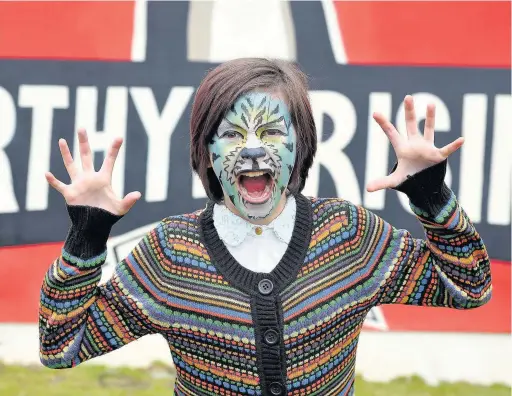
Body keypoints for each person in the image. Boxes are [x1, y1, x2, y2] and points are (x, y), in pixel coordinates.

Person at [39, 58, 492, 396]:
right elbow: (60, 347)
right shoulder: (171, 254)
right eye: (234, 135)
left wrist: (431, 197)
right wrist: (85, 239)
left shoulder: (347, 235)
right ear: (208, 151)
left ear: (302, 145)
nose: (253, 153)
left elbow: (470, 286)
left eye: (273, 132)